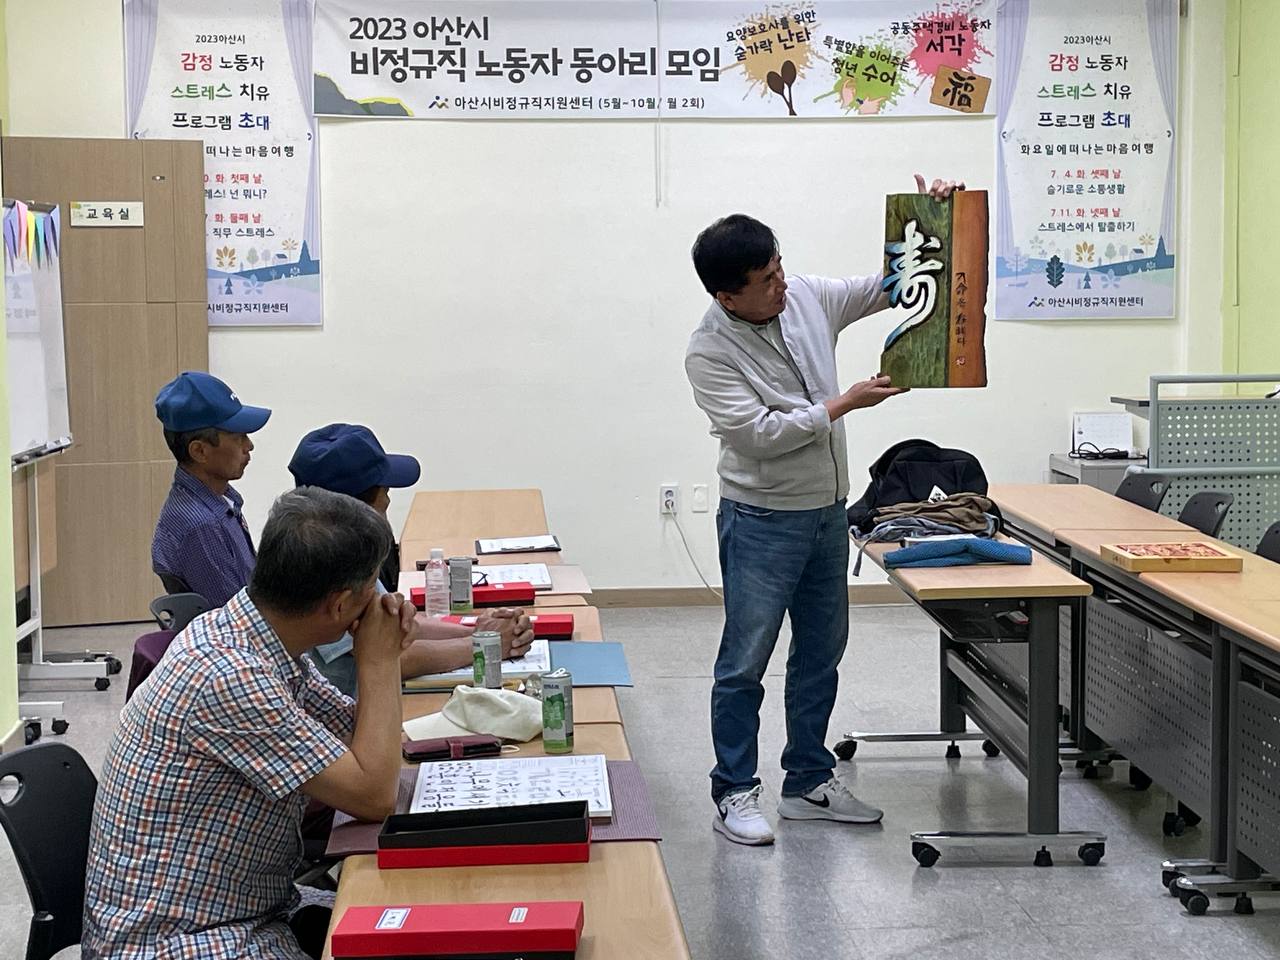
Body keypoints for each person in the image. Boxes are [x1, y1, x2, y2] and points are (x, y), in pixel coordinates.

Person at [685, 174, 964, 846]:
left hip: (824, 514)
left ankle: (807, 781)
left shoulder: (806, 295)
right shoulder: (708, 352)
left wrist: (932, 217)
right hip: (759, 520)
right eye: (766, 280)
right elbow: (759, 435)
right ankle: (734, 791)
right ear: (728, 295)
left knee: (820, 653)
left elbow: (889, 287)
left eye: (780, 267)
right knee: (744, 661)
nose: (782, 285)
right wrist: (845, 403)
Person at [83, 487, 414, 960]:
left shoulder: (255, 635)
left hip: (244, 911)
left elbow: (368, 739)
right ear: (341, 607)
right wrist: (380, 662)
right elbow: (375, 794)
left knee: (400, 929)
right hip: (182, 941)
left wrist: (384, 649)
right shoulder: (230, 675)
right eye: (372, 593)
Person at [288, 423, 534, 696]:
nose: (387, 507)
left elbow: (402, 627)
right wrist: (485, 645)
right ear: (360, 512)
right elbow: (392, 658)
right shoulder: (324, 569)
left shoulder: (341, 552)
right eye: (385, 498)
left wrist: (480, 630)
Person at [151, 370, 271, 607]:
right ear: (200, 451)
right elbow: (236, 617)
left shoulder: (220, 500)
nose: (250, 445)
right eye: (239, 438)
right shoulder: (202, 527)